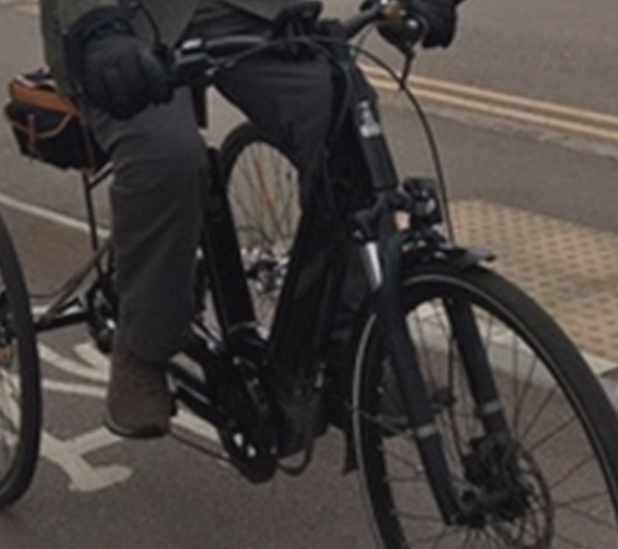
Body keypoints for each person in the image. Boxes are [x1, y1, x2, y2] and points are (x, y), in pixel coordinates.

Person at [38, 0, 462, 439]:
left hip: (246, 10)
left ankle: (352, 348)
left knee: (343, 117)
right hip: (125, 21)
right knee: (167, 159)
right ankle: (143, 348)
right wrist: (99, 29)